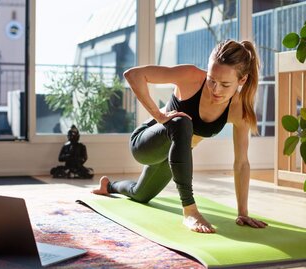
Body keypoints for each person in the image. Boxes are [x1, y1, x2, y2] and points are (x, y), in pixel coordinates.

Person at [92, 39, 268, 233]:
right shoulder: (191, 76)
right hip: (145, 144)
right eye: (211, 80)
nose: (215, 89)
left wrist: (242, 212)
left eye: (225, 84)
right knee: (183, 122)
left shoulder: (239, 110)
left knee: (140, 194)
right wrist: (159, 115)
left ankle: (108, 186)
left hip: (174, 157)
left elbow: (241, 163)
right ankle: (190, 211)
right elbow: (133, 75)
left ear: (242, 80)